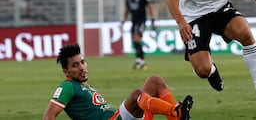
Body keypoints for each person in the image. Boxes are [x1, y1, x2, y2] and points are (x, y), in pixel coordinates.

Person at [43, 43, 193, 120]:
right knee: (136, 95)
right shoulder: (68, 86)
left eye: (82, 62)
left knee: (155, 81)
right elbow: (48, 116)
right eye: (75, 65)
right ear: (66, 71)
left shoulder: (83, 86)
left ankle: (176, 116)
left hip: (119, 117)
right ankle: (175, 111)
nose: (82, 67)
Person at [122, 0, 156, 70]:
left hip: (141, 21)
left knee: (137, 38)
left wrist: (152, 19)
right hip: (134, 21)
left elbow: (150, 6)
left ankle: (142, 61)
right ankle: (138, 60)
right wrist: (123, 20)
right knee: (135, 40)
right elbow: (127, 10)